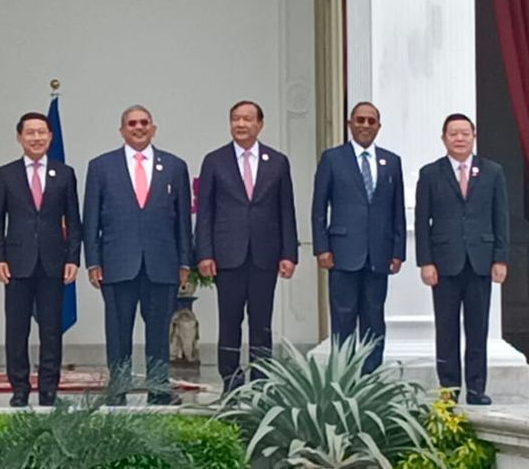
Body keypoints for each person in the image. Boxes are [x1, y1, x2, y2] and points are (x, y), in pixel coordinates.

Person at [83, 105, 191, 405]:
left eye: (144, 123)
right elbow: (90, 218)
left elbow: (183, 220)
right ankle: (117, 390)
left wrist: (185, 261)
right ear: (122, 130)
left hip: (162, 263)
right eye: (132, 123)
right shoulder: (101, 166)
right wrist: (93, 261)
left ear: (153, 128)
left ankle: (159, 389)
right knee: (118, 332)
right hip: (117, 263)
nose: (138, 127)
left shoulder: (174, 166)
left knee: (158, 331)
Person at [195, 100, 297, 393]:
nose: (241, 124)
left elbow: (285, 210)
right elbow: (205, 212)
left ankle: (262, 381)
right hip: (228, 256)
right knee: (229, 320)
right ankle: (231, 381)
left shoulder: (277, 162)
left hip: (265, 255)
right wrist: (204, 253)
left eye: (247, 119)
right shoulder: (215, 160)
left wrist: (289, 253)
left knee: (261, 322)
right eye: (236, 119)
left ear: (259, 124)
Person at [416, 113, 510, 405]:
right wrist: (425, 262)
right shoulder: (431, 173)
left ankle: (477, 387)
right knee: (446, 328)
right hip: (444, 263)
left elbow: (500, 217)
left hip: (481, 261)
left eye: (464, 133)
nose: (459, 138)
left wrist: (501, 258)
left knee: (478, 327)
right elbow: (422, 222)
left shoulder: (492, 172)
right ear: (444, 137)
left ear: (474, 135)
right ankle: (449, 388)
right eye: (453, 133)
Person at [0, 112, 80, 407]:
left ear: (50, 137)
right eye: (30, 133)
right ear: (19, 137)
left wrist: (73, 258)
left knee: (51, 327)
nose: (37, 138)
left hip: (54, 260)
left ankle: (49, 387)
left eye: (42, 132)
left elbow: (74, 222)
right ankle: (19, 386)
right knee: (17, 328)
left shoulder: (64, 173)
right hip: (17, 262)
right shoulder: (6, 174)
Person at [310, 101, 405, 373]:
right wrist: (322, 247)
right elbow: (319, 208)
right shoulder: (332, 158)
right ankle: (344, 377)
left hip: (379, 254)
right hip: (342, 252)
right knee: (343, 318)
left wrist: (398, 251)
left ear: (378, 126)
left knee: (374, 318)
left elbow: (397, 209)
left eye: (371, 121)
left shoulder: (391, 161)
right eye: (360, 120)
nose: (365, 125)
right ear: (350, 124)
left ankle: (370, 377)